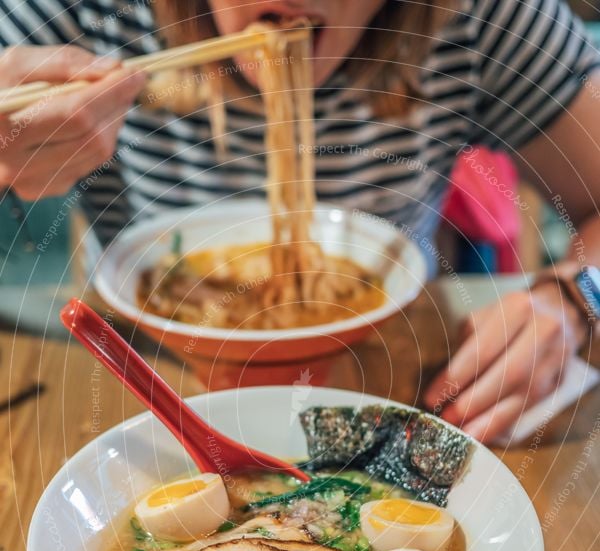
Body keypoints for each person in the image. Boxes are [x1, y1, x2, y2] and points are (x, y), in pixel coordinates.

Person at [0, 0, 598, 443]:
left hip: (391, 379)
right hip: (139, 384)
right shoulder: (85, 12)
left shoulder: (481, 15)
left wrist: (578, 298)